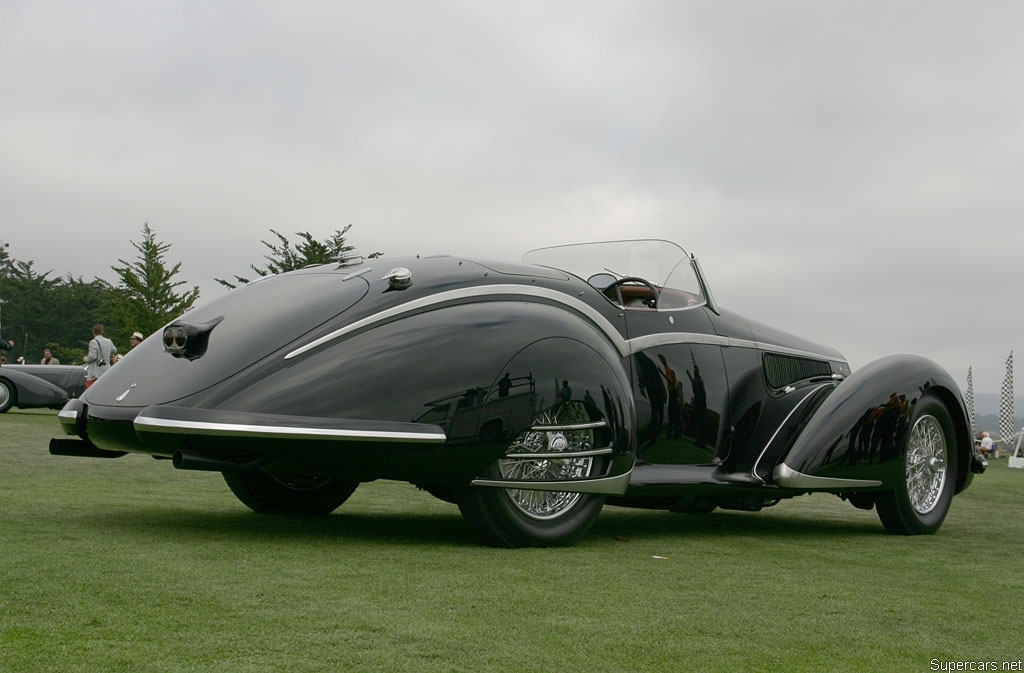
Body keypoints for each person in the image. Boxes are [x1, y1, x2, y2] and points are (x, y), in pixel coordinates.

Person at [83, 324, 117, 388]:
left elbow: (93, 356)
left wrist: (85, 359)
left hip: (96, 373)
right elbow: (114, 350)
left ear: (93, 332)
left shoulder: (93, 342)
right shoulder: (108, 341)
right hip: (107, 370)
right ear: (102, 331)